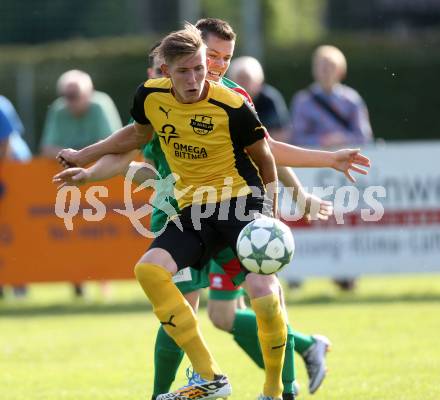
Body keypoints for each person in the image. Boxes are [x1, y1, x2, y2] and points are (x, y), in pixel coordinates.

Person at [55, 21, 369, 400]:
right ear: (168, 65)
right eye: (209, 58)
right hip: (185, 210)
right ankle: (200, 381)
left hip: (239, 206)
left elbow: (266, 152)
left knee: (261, 288)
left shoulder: (231, 99)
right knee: (186, 297)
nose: (214, 67)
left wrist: (302, 186)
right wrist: (87, 167)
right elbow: (128, 147)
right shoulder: (154, 95)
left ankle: (281, 388)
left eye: (221, 59)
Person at [290, 45, 374, 290]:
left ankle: (347, 275)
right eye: (321, 66)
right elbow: (296, 137)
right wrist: (322, 143)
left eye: (330, 66)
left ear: (341, 71)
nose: (325, 71)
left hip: (344, 175)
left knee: (346, 219)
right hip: (311, 172)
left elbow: (364, 136)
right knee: (306, 219)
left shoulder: (351, 101)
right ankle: (297, 273)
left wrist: (341, 140)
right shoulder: (303, 101)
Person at [40, 69, 122, 297]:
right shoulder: (58, 110)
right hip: (70, 183)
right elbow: (46, 148)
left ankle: (105, 282)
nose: (70, 101)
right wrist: (79, 158)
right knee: (69, 233)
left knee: (104, 232)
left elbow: (114, 143)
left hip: (102, 179)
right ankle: (76, 281)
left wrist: (78, 156)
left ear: (89, 92)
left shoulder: (100, 105)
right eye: (66, 96)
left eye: (75, 95)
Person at [0, 96, 32, 299]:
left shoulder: (0, 104)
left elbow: (5, 143)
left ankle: (20, 284)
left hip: (13, 170)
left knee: (17, 230)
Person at [228, 56, 290, 143]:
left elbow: (280, 132)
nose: (242, 84)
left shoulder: (270, 99)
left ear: (259, 81)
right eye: (239, 78)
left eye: (246, 78)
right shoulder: (225, 99)